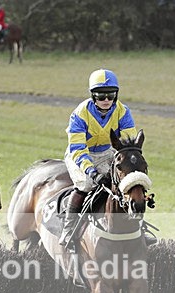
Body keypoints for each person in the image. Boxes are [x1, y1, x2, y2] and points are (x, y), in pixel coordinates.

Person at [60, 68, 149, 250]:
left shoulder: (123, 111)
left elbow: (127, 143)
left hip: (109, 153)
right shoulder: (80, 114)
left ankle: (139, 227)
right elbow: (77, 148)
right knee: (86, 184)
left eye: (110, 95)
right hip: (81, 155)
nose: (106, 100)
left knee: (126, 183)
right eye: (101, 96)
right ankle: (68, 230)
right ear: (93, 96)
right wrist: (92, 171)